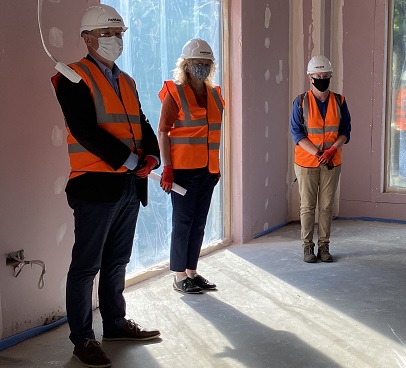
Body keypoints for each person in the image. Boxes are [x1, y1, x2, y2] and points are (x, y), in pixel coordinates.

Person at [51, 4, 161, 367]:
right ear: (87, 39)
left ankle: (114, 323)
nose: (115, 40)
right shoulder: (71, 76)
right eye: (106, 34)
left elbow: (141, 123)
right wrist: (130, 161)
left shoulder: (125, 80)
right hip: (95, 185)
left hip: (129, 185)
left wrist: (152, 157)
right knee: (86, 265)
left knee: (117, 260)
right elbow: (83, 129)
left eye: (119, 34)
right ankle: (82, 338)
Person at [157, 39, 224, 294]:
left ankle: (192, 272)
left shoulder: (215, 95)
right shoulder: (174, 93)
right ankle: (178, 276)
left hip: (208, 170)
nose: (202, 67)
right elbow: (163, 132)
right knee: (183, 222)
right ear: (186, 65)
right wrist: (168, 167)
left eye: (206, 63)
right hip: (183, 171)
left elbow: (214, 134)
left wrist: (215, 168)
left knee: (199, 222)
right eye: (197, 63)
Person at [290, 55, 351, 263]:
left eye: (326, 76)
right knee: (307, 206)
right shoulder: (300, 102)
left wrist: (332, 150)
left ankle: (324, 247)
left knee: (326, 206)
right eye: (318, 76)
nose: (322, 79)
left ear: (330, 76)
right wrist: (318, 153)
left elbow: (345, 131)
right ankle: (308, 247)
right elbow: (297, 134)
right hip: (307, 162)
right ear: (310, 78)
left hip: (332, 162)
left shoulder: (340, 101)